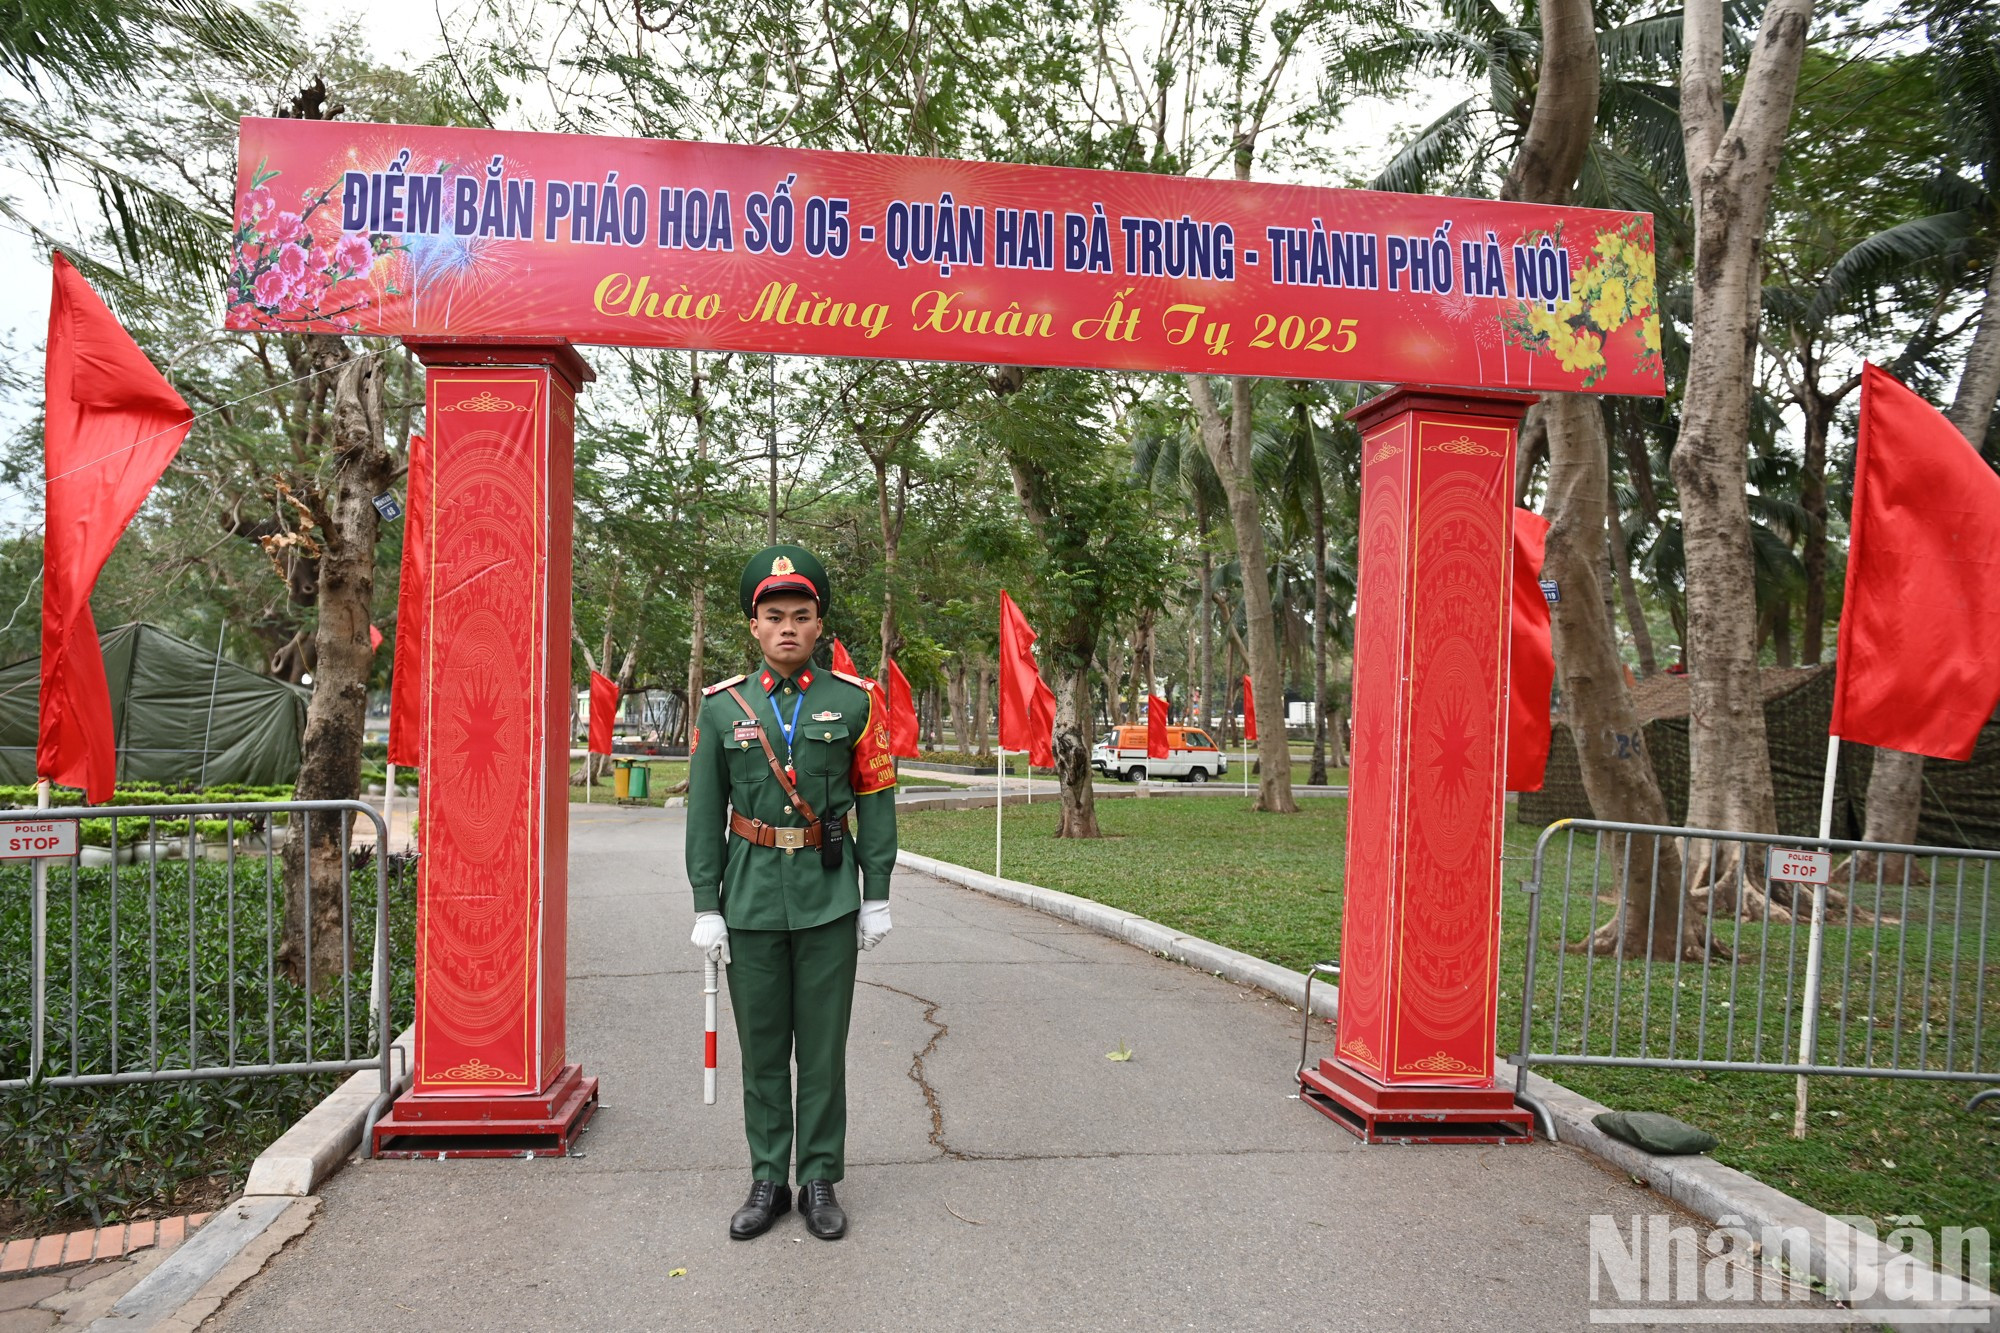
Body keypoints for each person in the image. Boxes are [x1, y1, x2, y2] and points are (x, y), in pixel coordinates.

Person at [684, 543, 899, 1241]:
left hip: (829, 896)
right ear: (753, 626)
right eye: (773, 616)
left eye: (800, 616)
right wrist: (705, 904)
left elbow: (878, 799)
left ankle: (819, 1178)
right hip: (748, 900)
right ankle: (769, 1175)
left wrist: (878, 892)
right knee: (765, 1046)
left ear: (818, 625)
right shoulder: (722, 709)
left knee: (825, 1049)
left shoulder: (856, 701)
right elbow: (704, 811)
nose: (786, 628)